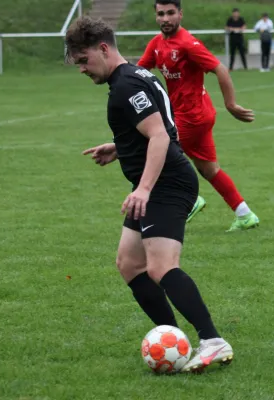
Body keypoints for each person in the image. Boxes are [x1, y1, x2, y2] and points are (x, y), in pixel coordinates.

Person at [65, 15, 234, 373]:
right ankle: (172, 338)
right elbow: (163, 127)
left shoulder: (127, 84)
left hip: (165, 183)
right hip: (158, 179)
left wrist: (143, 187)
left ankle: (213, 341)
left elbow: (158, 136)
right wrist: (120, 147)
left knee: (160, 266)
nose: (81, 69)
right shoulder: (137, 77)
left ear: (104, 48)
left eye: (83, 60)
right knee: (129, 264)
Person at [137, 0, 260, 232]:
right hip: (193, 114)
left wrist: (231, 104)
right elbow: (139, 72)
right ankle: (244, 214)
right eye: (161, 14)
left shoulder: (187, 44)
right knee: (209, 169)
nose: (165, 18)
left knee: (155, 152)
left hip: (192, 115)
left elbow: (220, 68)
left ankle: (191, 200)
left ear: (180, 14)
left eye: (170, 13)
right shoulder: (156, 44)